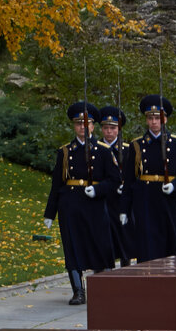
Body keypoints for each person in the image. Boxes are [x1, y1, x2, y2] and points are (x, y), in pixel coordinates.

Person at [43, 101, 120, 305]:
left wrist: (97, 189)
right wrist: (50, 213)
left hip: (94, 205)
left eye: (86, 123)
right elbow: (57, 183)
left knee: (99, 245)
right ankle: (78, 290)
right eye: (78, 123)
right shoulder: (65, 151)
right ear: (74, 126)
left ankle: (102, 286)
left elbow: (114, 180)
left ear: (93, 126)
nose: (82, 127)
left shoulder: (103, 150)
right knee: (72, 246)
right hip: (70, 204)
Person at [122, 94, 176, 262]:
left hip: (168, 200)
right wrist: (124, 209)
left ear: (165, 120)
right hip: (145, 200)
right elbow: (129, 180)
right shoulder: (136, 145)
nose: (154, 122)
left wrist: (175, 185)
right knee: (147, 246)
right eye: (150, 118)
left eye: (158, 118)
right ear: (146, 120)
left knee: (172, 245)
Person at [97, 105, 135, 268]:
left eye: (113, 128)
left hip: (120, 200)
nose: (109, 132)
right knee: (102, 237)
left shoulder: (128, 150)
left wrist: (126, 186)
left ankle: (125, 267)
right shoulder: (95, 148)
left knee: (124, 237)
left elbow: (135, 173)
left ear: (118, 130)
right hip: (102, 198)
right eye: (106, 128)